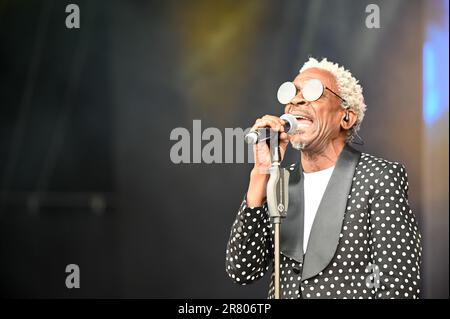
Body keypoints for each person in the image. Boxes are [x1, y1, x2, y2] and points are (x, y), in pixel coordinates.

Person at [225, 57, 422, 299]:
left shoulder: (378, 178)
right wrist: (261, 173)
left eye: (313, 91)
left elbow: (400, 287)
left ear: (345, 118)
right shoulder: (279, 182)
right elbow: (242, 269)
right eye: (292, 93)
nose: (296, 100)